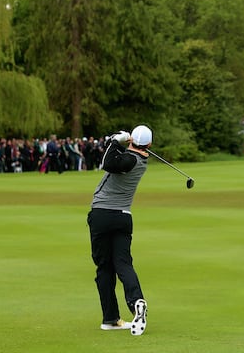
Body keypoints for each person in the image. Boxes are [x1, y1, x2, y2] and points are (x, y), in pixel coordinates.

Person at [87, 125, 152, 336]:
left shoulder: (129, 160)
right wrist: (117, 142)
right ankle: (135, 302)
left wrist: (116, 141)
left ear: (132, 140)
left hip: (102, 215)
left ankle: (111, 319)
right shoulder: (140, 161)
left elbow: (107, 162)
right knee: (123, 263)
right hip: (123, 217)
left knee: (104, 268)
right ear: (149, 145)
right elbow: (115, 157)